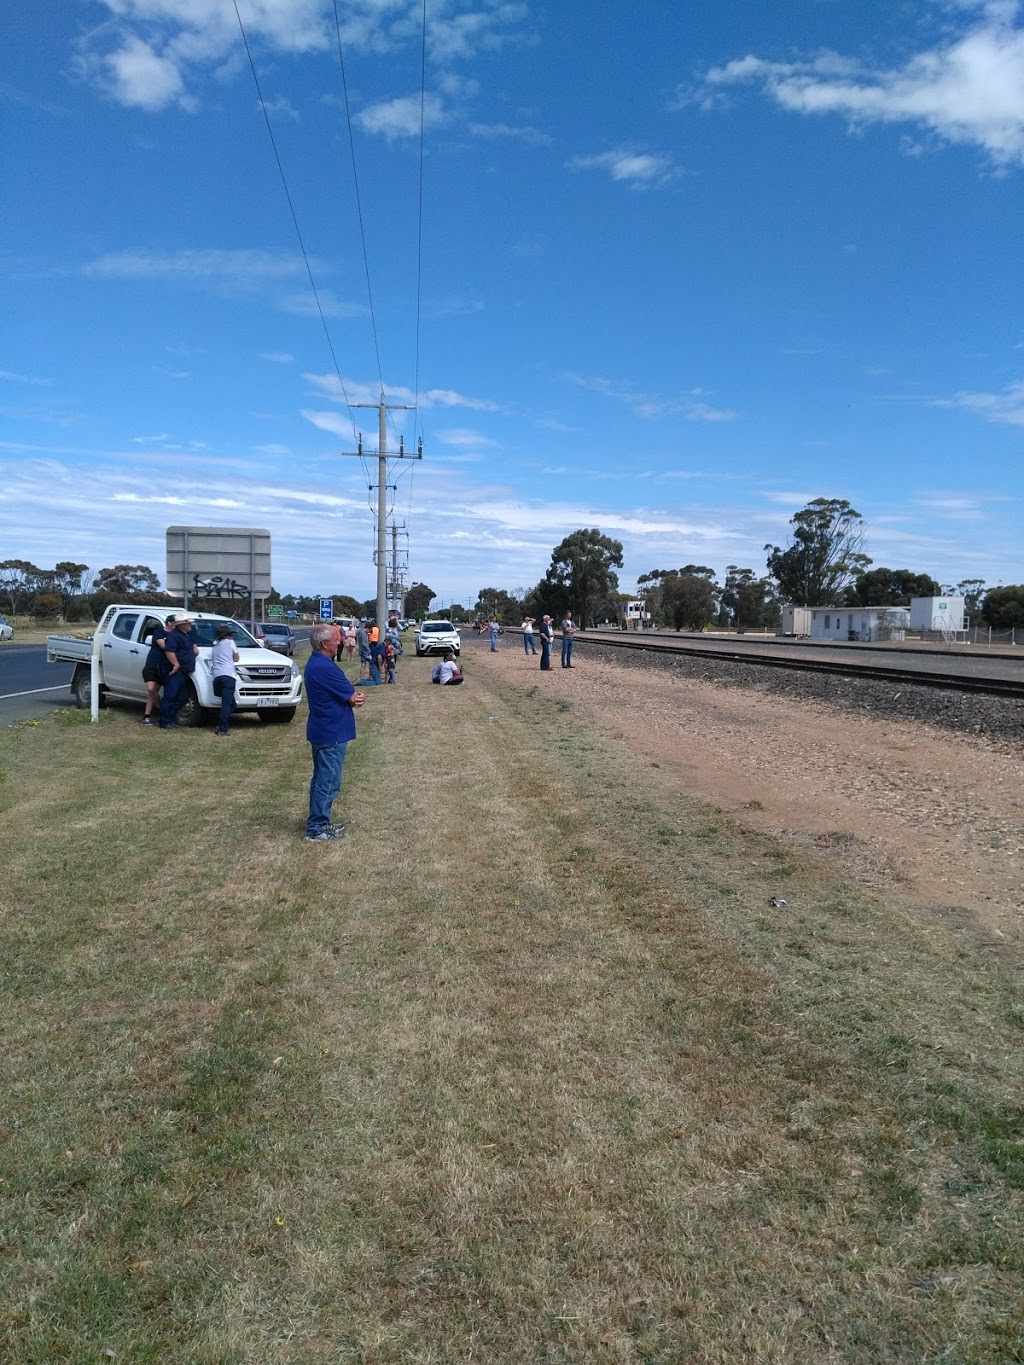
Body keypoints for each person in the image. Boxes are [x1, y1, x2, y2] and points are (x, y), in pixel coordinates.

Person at [304, 623, 365, 841]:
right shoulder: (326, 668)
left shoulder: (315, 664)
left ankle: (321, 820)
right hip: (331, 732)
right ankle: (316, 827)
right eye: (336, 639)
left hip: (323, 729)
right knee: (328, 780)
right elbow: (353, 697)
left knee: (321, 777)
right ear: (324, 644)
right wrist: (356, 697)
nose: (339, 641)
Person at [159, 612, 200, 728]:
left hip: (185, 671)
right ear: (182, 625)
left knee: (182, 696)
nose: (190, 625)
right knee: (170, 696)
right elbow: (169, 651)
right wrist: (175, 664)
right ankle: (164, 721)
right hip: (175, 672)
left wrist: (194, 648)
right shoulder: (173, 636)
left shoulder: (186, 636)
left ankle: (170, 718)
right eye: (188, 623)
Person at [141, 612, 176, 724]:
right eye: (176, 623)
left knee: (155, 690)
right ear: (170, 623)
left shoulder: (176, 634)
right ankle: (159, 708)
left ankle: (147, 715)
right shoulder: (159, 631)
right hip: (153, 663)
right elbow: (164, 646)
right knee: (151, 689)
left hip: (165, 666)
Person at [211, 623, 240, 735]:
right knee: (227, 704)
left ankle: (220, 721)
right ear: (227, 635)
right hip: (228, 675)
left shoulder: (215, 647)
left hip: (217, 677)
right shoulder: (230, 643)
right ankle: (223, 728)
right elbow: (237, 658)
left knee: (231, 704)